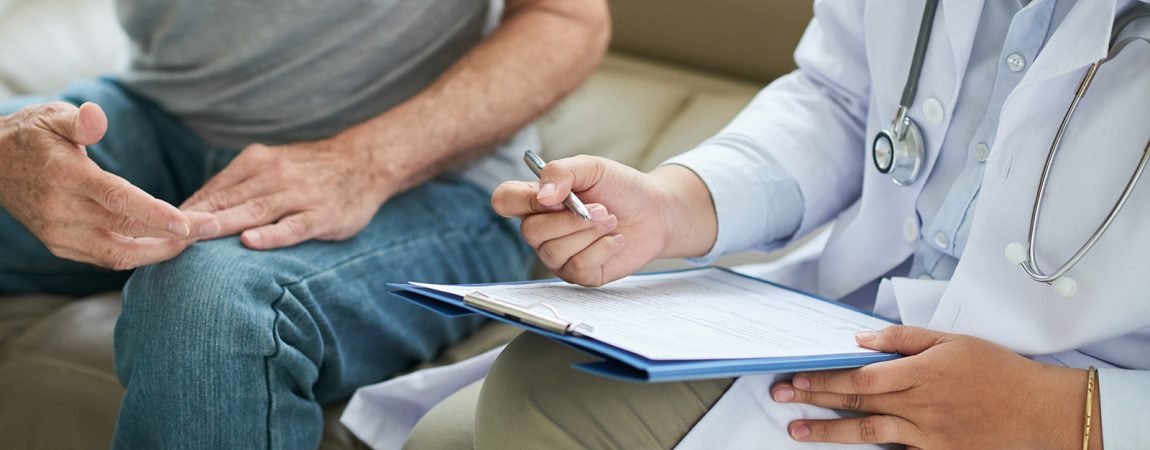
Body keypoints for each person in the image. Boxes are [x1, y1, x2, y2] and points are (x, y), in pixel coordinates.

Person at [405, 0, 1150, 448]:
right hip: (850, 325)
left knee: (544, 398)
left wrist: (1071, 415)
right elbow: (843, 97)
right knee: (448, 437)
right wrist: (674, 206)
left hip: (1065, 397)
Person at [0, 0, 608, 448]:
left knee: (209, 305)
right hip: (158, 113)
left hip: (427, 175)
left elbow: (568, 19)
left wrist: (365, 162)